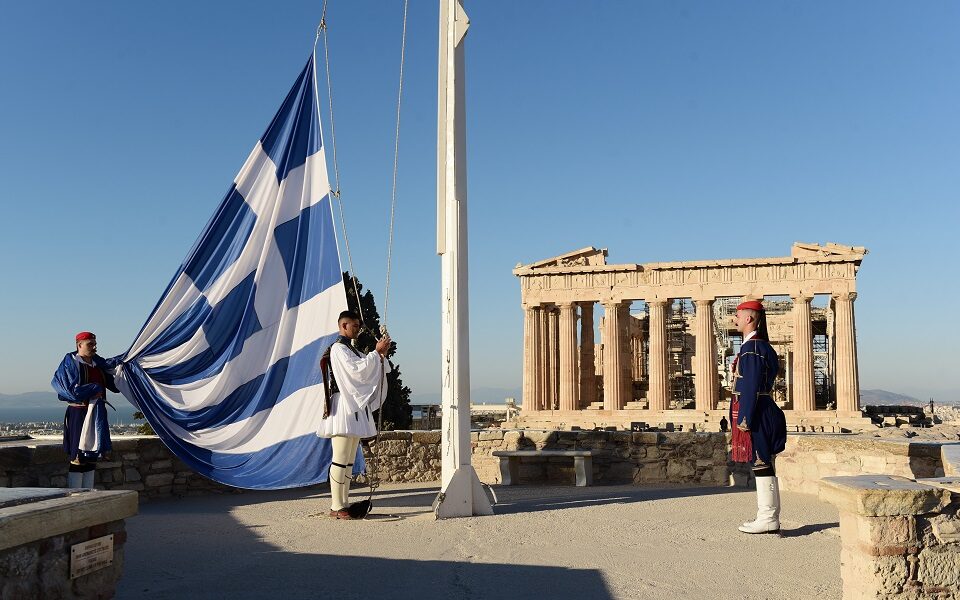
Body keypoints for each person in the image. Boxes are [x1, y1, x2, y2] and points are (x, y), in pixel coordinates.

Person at [317, 311, 392, 520]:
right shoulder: (339, 349)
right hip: (342, 406)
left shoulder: (352, 350)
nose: (357, 329)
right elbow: (356, 371)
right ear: (343, 326)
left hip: (352, 407)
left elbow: (367, 368)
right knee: (340, 457)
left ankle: (343, 503)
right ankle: (336, 505)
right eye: (354, 326)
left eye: (358, 326)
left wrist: (380, 354)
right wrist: (376, 354)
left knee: (349, 459)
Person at [729, 300, 787, 534]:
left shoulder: (752, 349)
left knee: (761, 463)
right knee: (762, 464)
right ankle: (768, 516)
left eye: (737, 315)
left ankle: (768, 518)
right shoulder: (761, 347)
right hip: (762, 407)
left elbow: (751, 385)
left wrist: (744, 419)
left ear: (749, 319)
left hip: (756, 411)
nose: (734, 319)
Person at [51, 332, 120, 489]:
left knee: (91, 456)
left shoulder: (98, 364)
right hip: (79, 413)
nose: (94, 347)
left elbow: (114, 385)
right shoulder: (70, 363)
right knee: (78, 455)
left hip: (96, 412)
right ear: (79, 344)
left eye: (95, 343)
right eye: (90, 344)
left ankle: (89, 494)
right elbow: (68, 389)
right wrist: (92, 389)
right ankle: (76, 495)